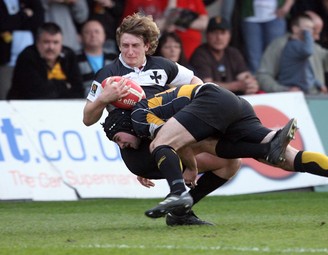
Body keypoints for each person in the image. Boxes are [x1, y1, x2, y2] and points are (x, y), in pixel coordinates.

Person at [104, 82, 328, 219]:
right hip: (232, 108)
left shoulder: (140, 115)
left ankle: (177, 196)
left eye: (117, 138)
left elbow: (174, 141)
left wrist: (190, 167)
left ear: (123, 123)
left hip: (211, 98)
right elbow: (189, 139)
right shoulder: (151, 113)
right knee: (281, 158)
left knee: (159, 143)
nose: (121, 144)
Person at [82, 13, 241, 226]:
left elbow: (197, 83)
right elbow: (87, 118)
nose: (129, 51)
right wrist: (104, 99)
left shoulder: (163, 66)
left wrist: (186, 105)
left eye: (135, 45)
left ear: (147, 45)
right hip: (140, 150)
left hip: (170, 137)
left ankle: (180, 211)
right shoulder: (108, 75)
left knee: (230, 163)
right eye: (124, 45)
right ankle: (266, 148)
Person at [257, 10, 328, 93]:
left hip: (316, 100)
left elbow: (324, 58)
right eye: (312, 31)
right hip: (291, 102)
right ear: (297, 28)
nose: (317, 37)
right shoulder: (279, 45)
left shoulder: (312, 46)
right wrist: (284, 90)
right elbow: (263, 75)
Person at [7, 22, 84, 99]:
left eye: (55, 42)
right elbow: (35, 92)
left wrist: (51, 86)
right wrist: (65, 85)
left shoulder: (69, 55)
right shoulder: (27, 56)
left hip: (63, 107)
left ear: (61, 43)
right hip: (23, 108)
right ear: (37, 43)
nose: (51, 47)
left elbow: (79, 91)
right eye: (46, 42)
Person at [190, 16, 260, 95]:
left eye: (223, 33)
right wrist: (237, 86)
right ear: (207, 35)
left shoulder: (233, 52)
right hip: (211, 100)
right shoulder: (200, 54)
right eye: (214, 33)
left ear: (229, 35)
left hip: (235, 99)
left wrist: (250, 84)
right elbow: (206, 85)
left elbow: (244, 76)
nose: (219, 37)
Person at [122, 0, 209, 59]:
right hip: (159, 54)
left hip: (192, 54)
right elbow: (128, 27)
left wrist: (177, 22)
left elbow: (204, 23)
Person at [0, 0, 44, 99]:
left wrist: (13, 21)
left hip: (31, 61)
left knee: (32, 96)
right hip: (6, 62)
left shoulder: (30, 2)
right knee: (5, 99)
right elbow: (3, 24)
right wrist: (24, 15)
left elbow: (38, 21)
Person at [238, 0, 295, 74]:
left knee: (274, 56)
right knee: (253, 58)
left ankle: (271, 83)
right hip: (250, 16)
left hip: (275, 15)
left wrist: (287, 6)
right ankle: (256, 83)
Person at [77, 19, 117, 95]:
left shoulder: (114, 58)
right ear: (81, 37)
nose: (93, 35)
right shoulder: (74, 58)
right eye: (88, 32)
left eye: (97, 32)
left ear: (104, 35)